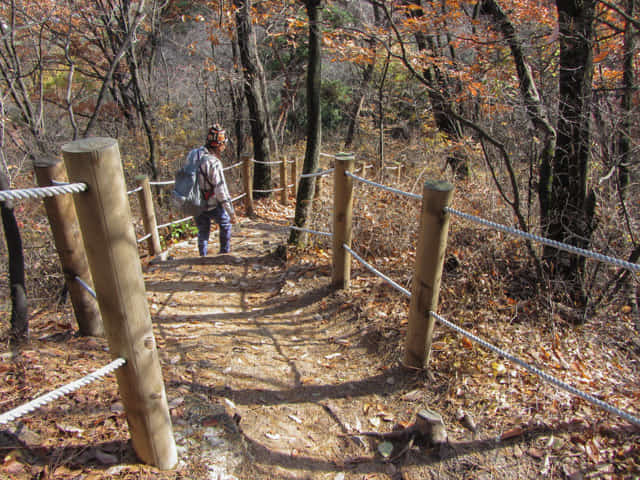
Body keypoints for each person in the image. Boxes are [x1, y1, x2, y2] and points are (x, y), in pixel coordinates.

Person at [193, 124, 237, 256]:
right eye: (223, 144)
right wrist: (231, 212)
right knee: (225, 224)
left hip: (195, 202)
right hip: (211, 203)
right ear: (219, 145)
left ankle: (202, 256)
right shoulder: (213, 163)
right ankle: (224, 253)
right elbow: (220, 189)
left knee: (203, 230)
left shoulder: (193, 155)